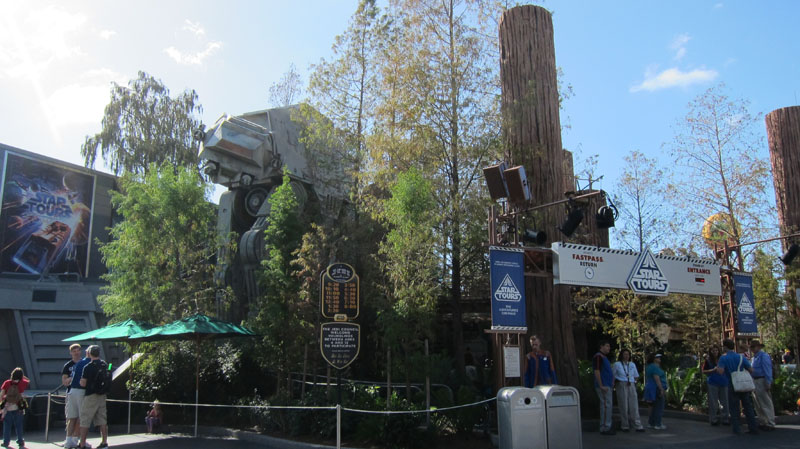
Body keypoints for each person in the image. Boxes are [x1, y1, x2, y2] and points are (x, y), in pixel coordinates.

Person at [716, 338, 759, 435]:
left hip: (732, 383)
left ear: (725, 347)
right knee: (747, 406)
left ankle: (737, 429)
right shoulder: (741, 357)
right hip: (743, 383)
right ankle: (753, 427)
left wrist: (717, 368)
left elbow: (721, 371)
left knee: (734, 407)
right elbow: (751, 369)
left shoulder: (723, 358)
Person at [78, 345, 109, 449]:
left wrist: (81, 382)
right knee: (102, 420)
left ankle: (82, 444)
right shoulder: (104, 364)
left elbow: (83, 383)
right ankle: (104, 443)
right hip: (102, 395)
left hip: (91, 395)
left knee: (85, 419)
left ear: (89, 353)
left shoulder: (88, 367)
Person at [612, 349, 644, 432]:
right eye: (625, 354)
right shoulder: (617, 364)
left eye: (628, 354)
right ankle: (625, 425)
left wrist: (633, 382)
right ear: (621, 355)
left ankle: (637, 425)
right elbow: (613, 376)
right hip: (621, 384)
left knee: (634, 405)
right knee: (623, 405)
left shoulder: (632, 364)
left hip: (631, 384)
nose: (626, 356)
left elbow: (636, 376)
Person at [62, 344, 86, 449]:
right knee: (70, 417)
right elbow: (64, 381)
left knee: (80, 418)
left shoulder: (84, 363)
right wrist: (73, 378)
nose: (76, 353)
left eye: (77, 351)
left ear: (80, 351)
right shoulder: (68, 365)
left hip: (82, 392)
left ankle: (76, 438)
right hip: (70, 392)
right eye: (74, 351)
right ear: (71, 353)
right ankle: (68, 439)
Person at [749, 340, 776, 431]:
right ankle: (763, 421)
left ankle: (770, 422)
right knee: (758, 403)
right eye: (751, 347)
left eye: (754, 347)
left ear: (759, 347)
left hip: (762, 379)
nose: (752, 349)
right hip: (755, 380)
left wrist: (768, 382)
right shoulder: (754, 358)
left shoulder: (763, 356)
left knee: (765, 402)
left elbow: (767, 369)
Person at [1, 368, 30, 449]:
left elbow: (1, 394)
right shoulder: (22, 383)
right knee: (19, 425)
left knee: (7, 425)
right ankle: (20, 442)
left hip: (7, 407)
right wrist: (22, 376)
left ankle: (6, 442)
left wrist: (1, 406)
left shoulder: (7, 383)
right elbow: (28, 380)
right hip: (18, 407)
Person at [701, 345, 729, 426]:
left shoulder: (723, 359)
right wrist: (712, 370)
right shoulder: (708, 360)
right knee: (713, 402)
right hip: (712, 382)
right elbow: (704, 371)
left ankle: (725, 418)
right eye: (713, 351)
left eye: (716, 350)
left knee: (725, 401)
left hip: (723, 382)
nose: (715, 352)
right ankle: (713, 419)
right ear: (710, 352)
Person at [593, 340, 615, 435]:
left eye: (609, 346)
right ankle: (605, 427)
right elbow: (597, 370)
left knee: (607, 405)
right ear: (601, 346)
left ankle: (606, 425)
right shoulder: (598, 356)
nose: (608, 348)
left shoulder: (604, 357)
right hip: (603, 385)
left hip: (607, 385)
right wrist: (601, 385)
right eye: (607, 346)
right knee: (606, 405)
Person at [643, 353, 667, 430]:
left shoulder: (649, 366)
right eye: (657, 357)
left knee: (653, 406)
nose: (659, 358)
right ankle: (658, 423)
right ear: (654, 359)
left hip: (651, 388)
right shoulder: (654, 367)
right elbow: (656, 378)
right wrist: (661, 389)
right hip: (656, 388)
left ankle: (651, 423)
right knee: (659, 406)